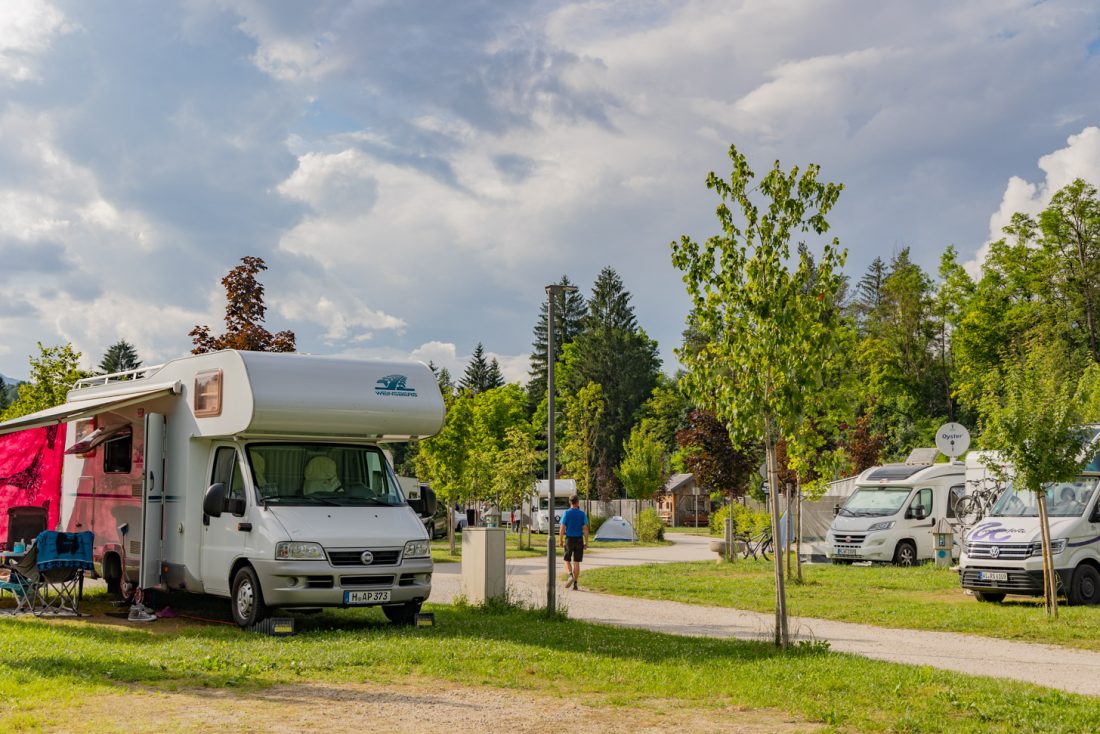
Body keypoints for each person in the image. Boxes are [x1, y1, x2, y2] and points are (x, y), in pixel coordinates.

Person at [558, 494, 589, 590]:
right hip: (579, 539)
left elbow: (562, 528)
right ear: (578, 502)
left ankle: (570, 575)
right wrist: (586, 542)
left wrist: (560, 540)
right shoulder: (582, 514)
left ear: (570, 502)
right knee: (576, 562)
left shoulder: (566, 513)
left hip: (569, 539)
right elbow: (585, 529)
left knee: (566, 560)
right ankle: (575, 583)